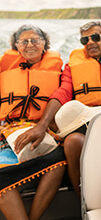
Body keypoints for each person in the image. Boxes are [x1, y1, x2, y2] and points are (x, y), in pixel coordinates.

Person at [14, 21, 101, 197]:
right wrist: (42, 125)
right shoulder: (72, 67)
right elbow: (62, 93)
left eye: (95, 37)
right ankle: (83, 198)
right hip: (84, 122)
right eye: (84, 40)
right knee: (72, 142)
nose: (90, 42)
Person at [0, 25, 66, 220]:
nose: (30, 44)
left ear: (44, 44)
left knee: (59, 164)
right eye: (24, 41)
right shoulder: (5, 73)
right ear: (16, 47)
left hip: (42, 131)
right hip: (8, 131)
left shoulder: (59, 73)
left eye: (35, 40)